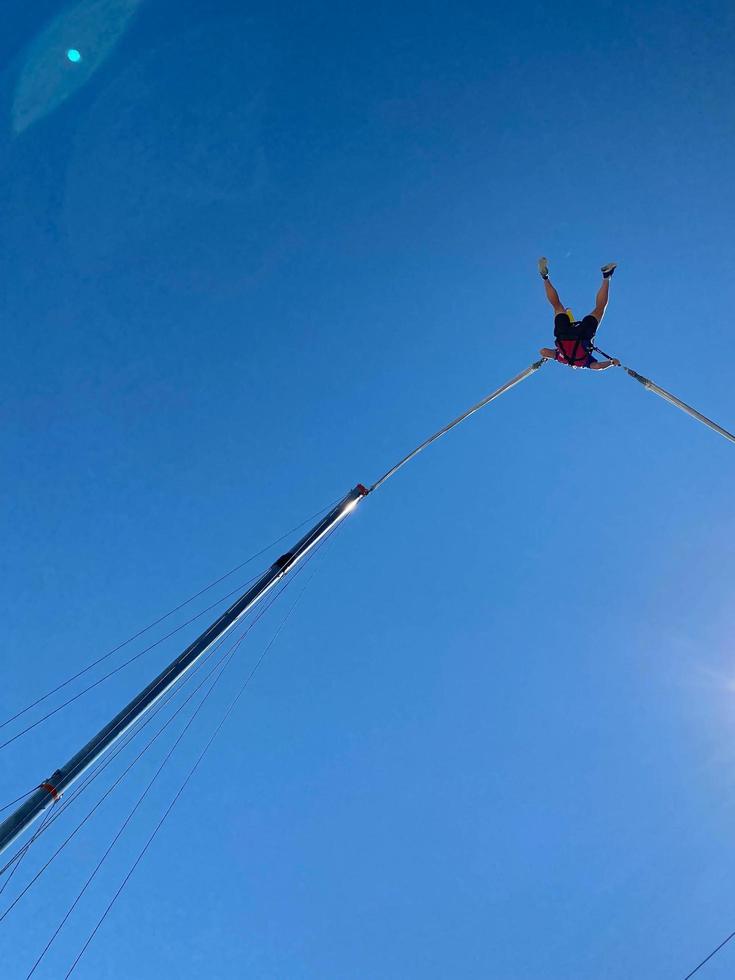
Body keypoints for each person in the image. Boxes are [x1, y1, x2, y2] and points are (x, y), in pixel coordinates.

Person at [537, 258, 621, 370]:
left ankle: (606, 277)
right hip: (563, 336)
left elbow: (598, 366)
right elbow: (543, 351)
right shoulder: (562, 358)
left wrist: (611, 363)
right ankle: (545, 278)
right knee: (557, 306)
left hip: (582, 335)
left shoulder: (583, 363)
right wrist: (552, 355)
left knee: (599, 309)